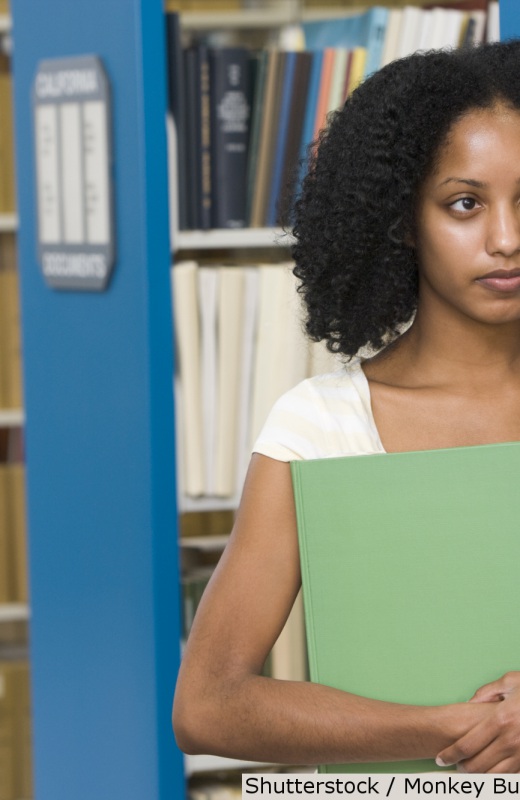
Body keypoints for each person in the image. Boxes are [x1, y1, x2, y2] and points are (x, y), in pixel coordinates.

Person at [173, 40, 520, 774]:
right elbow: (208, 704)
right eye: (465, 204)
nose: (506, 240)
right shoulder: (321, 426)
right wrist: (456, 731)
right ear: (401, 220)